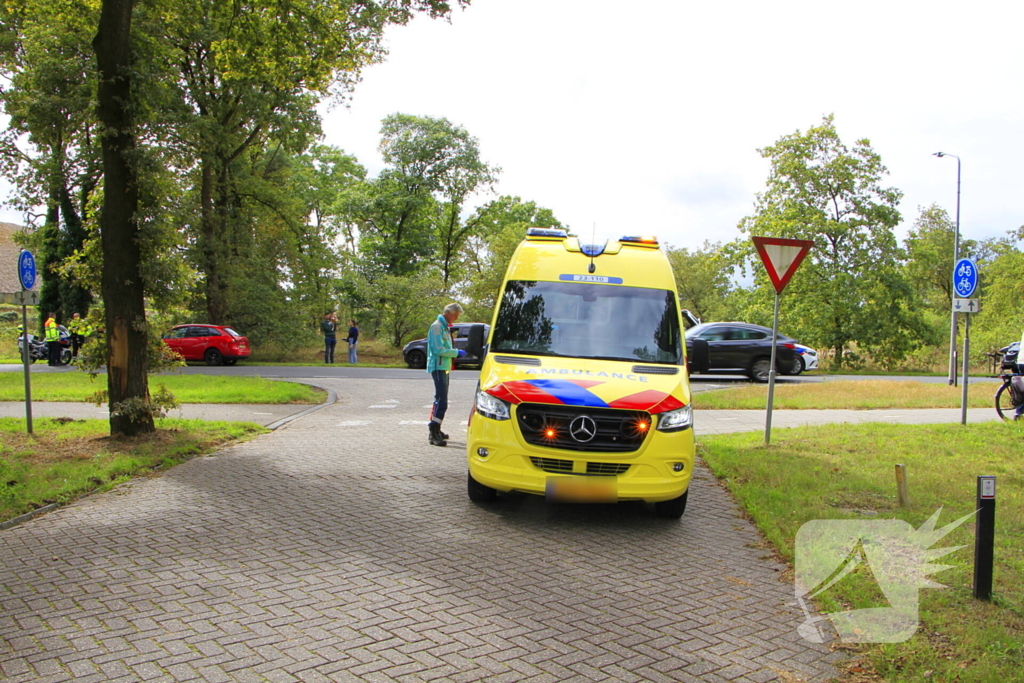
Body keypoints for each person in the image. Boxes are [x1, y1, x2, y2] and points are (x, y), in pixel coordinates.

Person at [426, 302, 467, 447]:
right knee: (441, 400)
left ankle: (437, 428)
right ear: (449, 312)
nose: (455, 318)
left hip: (444, 366)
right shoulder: (437, 326)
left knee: (441, 399)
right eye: (455, 315)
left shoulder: (443, 327)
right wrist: (456, 353)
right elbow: (438, 349)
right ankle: (433, 431)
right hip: (438, 366)